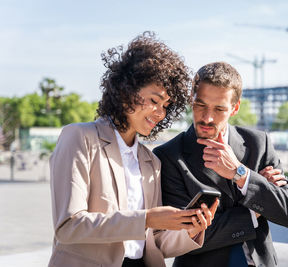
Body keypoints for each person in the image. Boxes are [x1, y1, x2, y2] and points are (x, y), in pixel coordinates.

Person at [48, 32, 218, 267]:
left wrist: (189, 230)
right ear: (126, 91)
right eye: (154, 101)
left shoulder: (151, 161)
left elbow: (155, 243)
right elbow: (69, 226)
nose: (160, 113)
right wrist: (146, 218)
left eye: (166, 106)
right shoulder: (79, 138)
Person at [153, 62, 288, 267]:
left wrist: (241, 174)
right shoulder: (168, 156)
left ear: (235, 108)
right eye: (200, 105)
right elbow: (186, 237)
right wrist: (255, 209)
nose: (207, 117)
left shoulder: (258, 143)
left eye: (219, 109)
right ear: (191, 100)